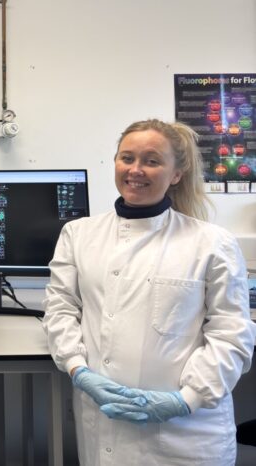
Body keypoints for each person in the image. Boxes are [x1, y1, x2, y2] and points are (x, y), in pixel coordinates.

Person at [43, 118, 255, 465]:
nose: (135, 170)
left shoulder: (211, 243)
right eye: (127, 158)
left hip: (186, 434)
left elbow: (231, 336)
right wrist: (77, 368)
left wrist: (187, 399)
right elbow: (60, 308)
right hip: (104, 424)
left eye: (152, 161)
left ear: (176, 174)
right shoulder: (78, 234)